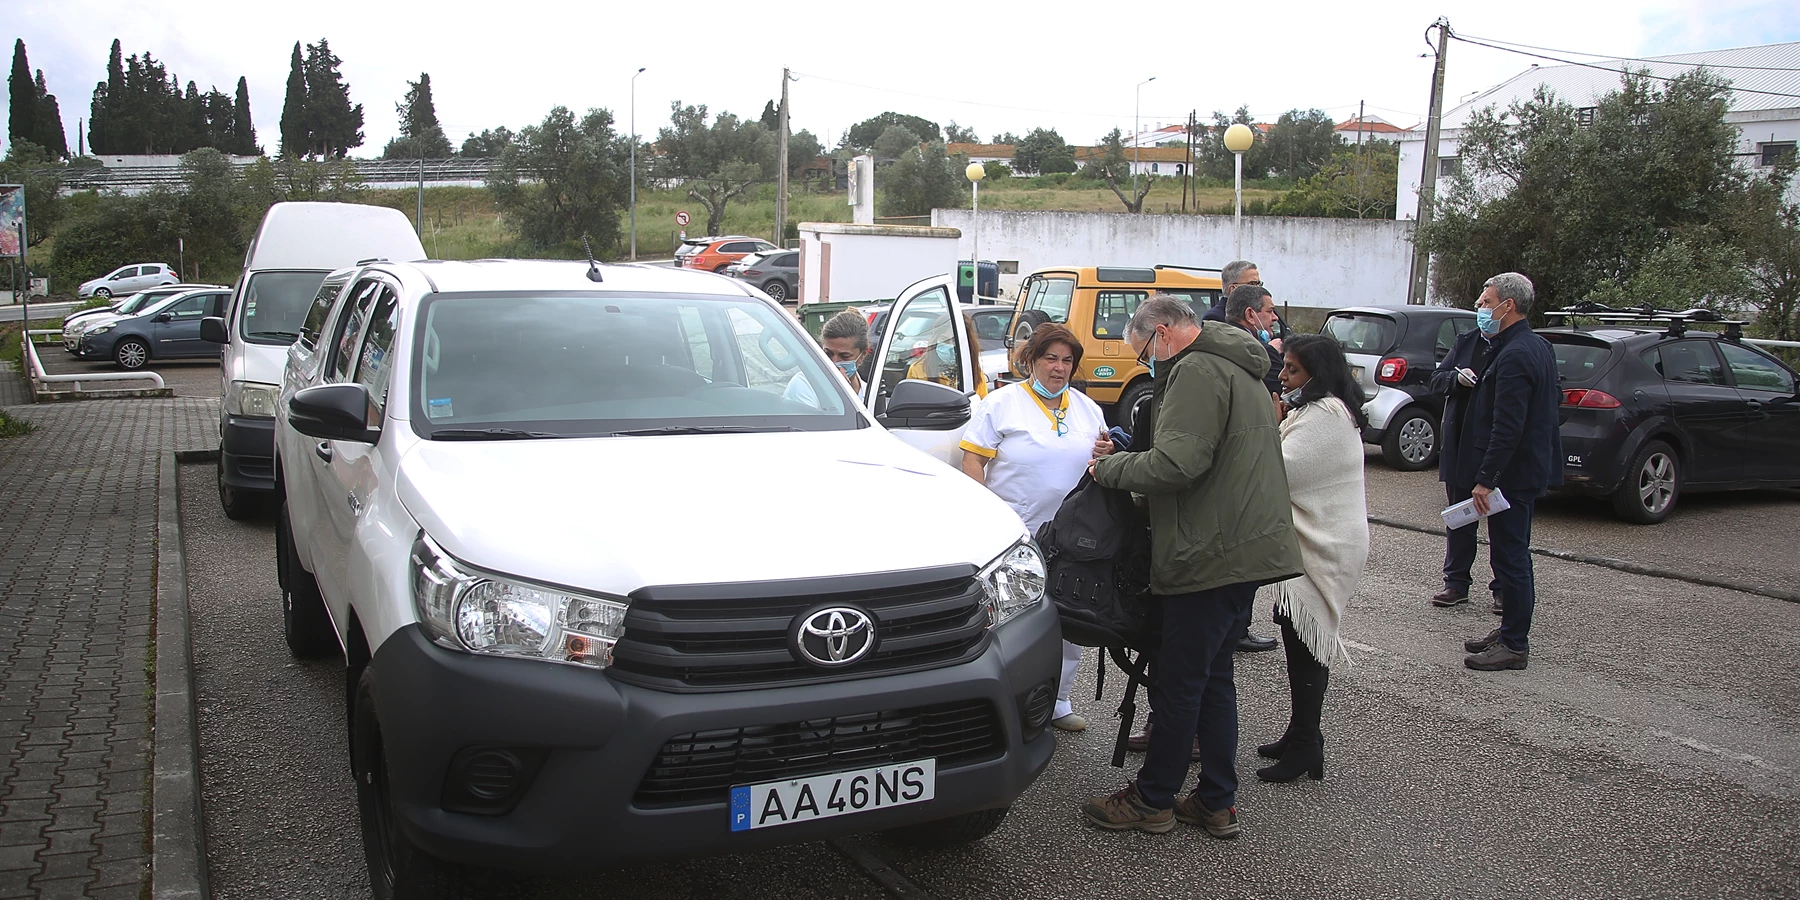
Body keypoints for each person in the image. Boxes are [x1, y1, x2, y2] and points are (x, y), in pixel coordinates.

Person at [1081, 296, 1302, 839]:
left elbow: (1178, 462)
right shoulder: (1236, 363)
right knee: (1212, 679)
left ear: (1161, 333)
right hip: (1238, 547)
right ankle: (1215, 800)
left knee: (1180, 683)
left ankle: (1153, 799)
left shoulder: (1196, 370)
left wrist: (1110, 469)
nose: (1148, 364)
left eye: (1144, 353)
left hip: (1209, 551)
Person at [958, 324, 1109, 732]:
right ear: (1032, 360)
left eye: (1067, 361)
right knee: (1008, 618)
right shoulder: (1002, 404)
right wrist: (985, 515)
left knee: (1070, 617)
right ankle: (1000, 702)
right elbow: (973, 460)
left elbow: (1101, 460)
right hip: (1017, 534)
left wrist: (1107, 454)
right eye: (1050, 358)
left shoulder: (1087, 409)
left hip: (1074, 537)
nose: (1058, 368)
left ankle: (1058, 700)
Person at [1255, 334, 1369, 783]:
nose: (1282, 376)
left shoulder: (1325, 415)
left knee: (1307, 642)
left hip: (1326, 544)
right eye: (1283, 367)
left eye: (1292, 370)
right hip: (1310, 540)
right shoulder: (1314, 410)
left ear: (1317, 375)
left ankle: (1307, 744)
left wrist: (1267, 423)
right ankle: (1302, 733)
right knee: (1295, 633)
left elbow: (1277, 470)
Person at [1451, 273, 1563, 672]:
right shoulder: (1533, 346)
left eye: (1485, 303)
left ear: (1508, 306)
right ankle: (1509, 629)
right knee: (1509, 553)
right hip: (1524, 469)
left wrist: (1486, 478)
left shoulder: (1517, 354)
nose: (1481, 309)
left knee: (1511, 556)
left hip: (1513, 475)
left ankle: (1515, 643)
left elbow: (1508, 425)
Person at [1428, 322, 1502, 614]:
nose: (1482, 309)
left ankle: (1504, 588)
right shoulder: (1466, 342)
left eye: (1487, 302)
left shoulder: (1515, 348)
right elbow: (1436, 379)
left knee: (1501, 522)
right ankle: (1456, 583)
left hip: (1497, 445)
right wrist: (1456, 381)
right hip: (1461, 444)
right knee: (1460, 518)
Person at [783, 306, 868, 407]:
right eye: (828, 354)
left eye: (844, 356)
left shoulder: (868, 393)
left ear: (862, 355)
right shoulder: (804, 383)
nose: (834, 362)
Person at [905, 313, 988, 397]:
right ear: (935, 340)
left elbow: (981, 405)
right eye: (945, 340)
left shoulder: (973, 372)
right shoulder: (918, 370)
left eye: (955, 341)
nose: (950, 346)